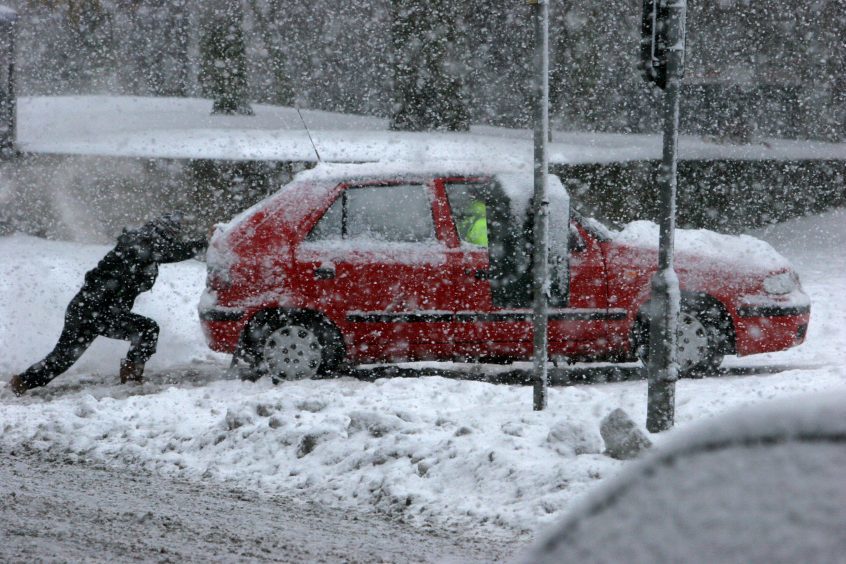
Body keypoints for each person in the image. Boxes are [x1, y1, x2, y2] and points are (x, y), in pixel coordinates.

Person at [6, 212, 207, 396]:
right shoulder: (138, 244)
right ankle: (131, 378)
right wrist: (204, 243)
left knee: (61, 359)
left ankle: (21, 383)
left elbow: (169, 252)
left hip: (89, 310)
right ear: (160, 232)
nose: (171, 239)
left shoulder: (143, 246)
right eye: (170, 234)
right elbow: (170, 252)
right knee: (147, 329)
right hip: (95, 310)